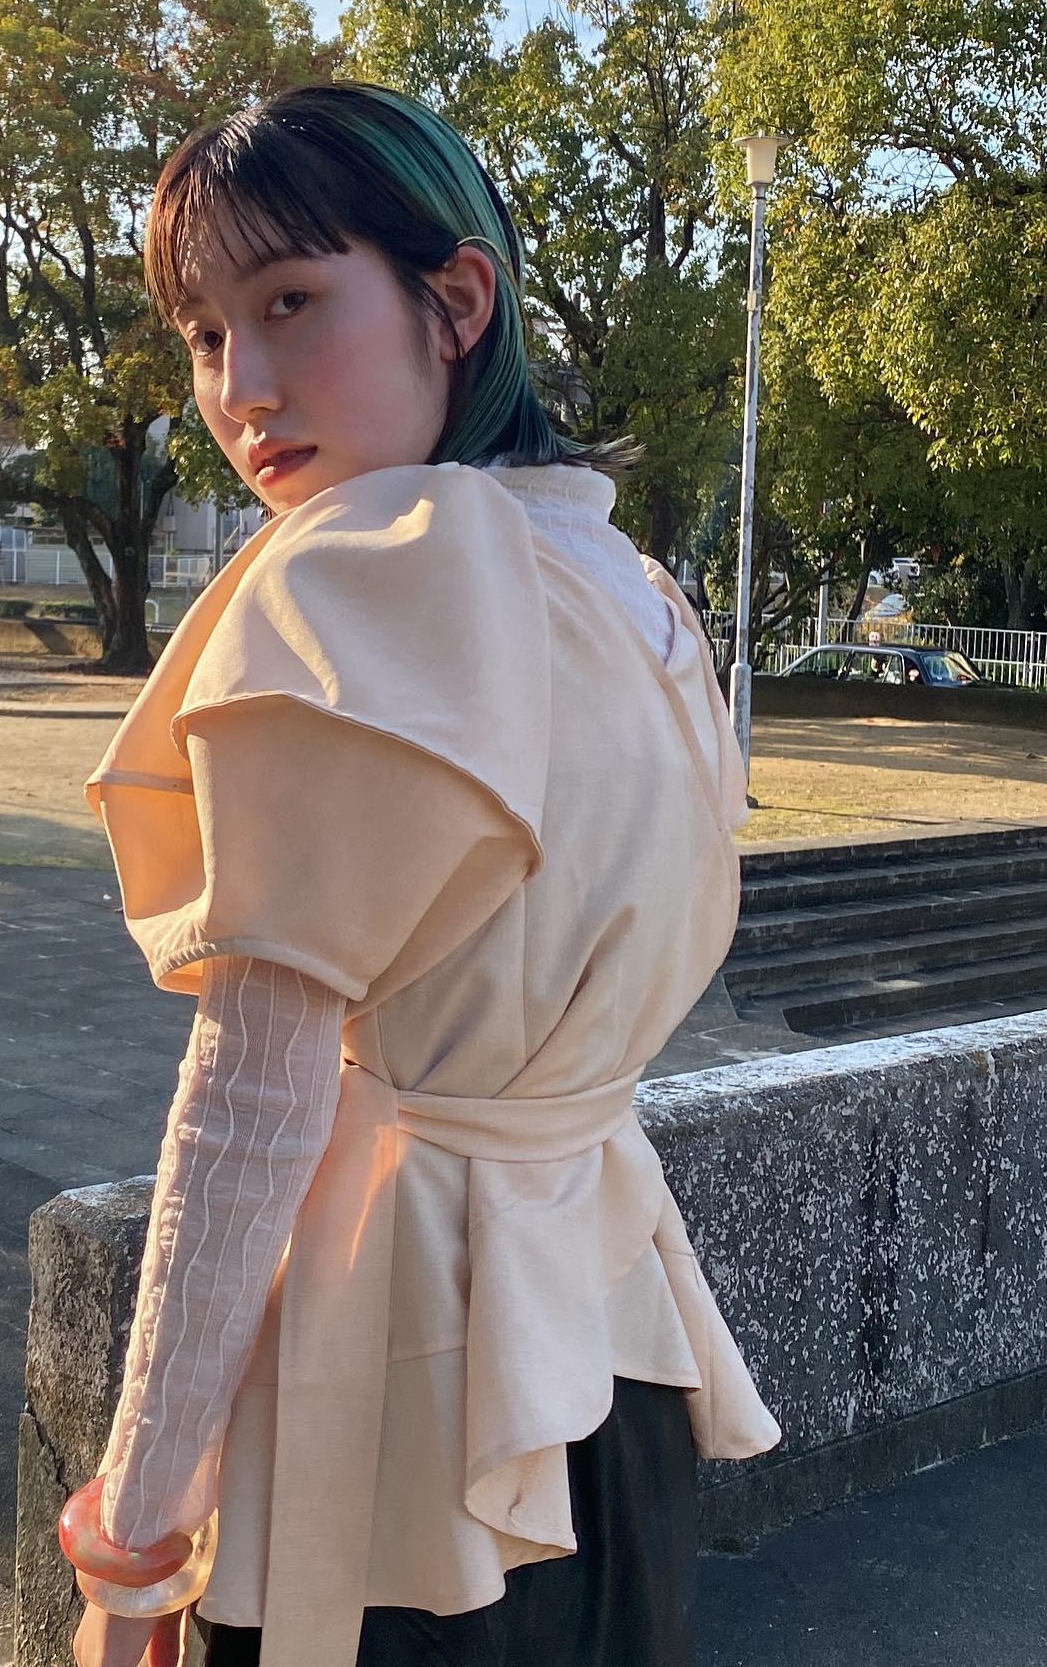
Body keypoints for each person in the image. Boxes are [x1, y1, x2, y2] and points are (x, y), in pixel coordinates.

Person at [67, 82, 781, 1667]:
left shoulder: (354, 578)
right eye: (205, 333)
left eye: (291, 302)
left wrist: (134, 1539)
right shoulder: (636, 590)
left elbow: (250, 1106)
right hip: (610, 1383)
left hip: (390, 1408)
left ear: (457, 301)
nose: (242, 388)